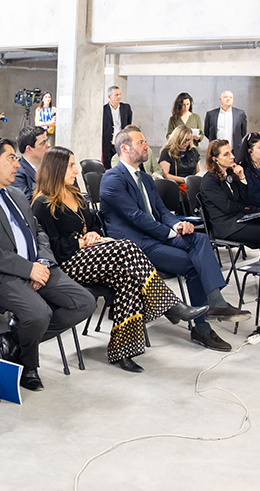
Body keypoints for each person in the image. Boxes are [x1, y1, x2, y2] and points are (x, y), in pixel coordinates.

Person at [31, 147, 209, 373]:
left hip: (93, 257)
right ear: (56, 169)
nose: (76, 171)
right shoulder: (42, 204)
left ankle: (123, 351)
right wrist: (80, 242)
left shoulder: (75, 195)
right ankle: (169, 305)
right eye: (71, 166)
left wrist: (93, 234)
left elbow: (94, 224)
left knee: (128, 280)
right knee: (126, 247)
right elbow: (49, 247)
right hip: (68, 264)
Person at [0, 137, 95, 392]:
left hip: (35, 266)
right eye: (11, 159)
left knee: (84, 302)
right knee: (38, 313)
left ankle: (15, 340)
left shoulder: (16, 194)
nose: (17, 164)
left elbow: (38, 232)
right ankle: (28, 366)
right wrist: (28, 270)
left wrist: (42, 262)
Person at [99, 126, 251, 352]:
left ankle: (216, 303)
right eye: (141, 142)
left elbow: (161, 211)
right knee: (194, 263)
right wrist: (170, 232)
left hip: (157, 236)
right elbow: (136, 217)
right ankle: (202, 327)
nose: (147, 146)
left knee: (200, 240)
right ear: (125, 149)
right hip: (136, 245)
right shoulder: (112, 179)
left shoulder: (145, 179)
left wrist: (177, 225)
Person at [199, 139, 260, 286]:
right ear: (215, 159)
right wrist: (244, 208)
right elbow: (227, 207)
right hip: (226, 226)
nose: (232, 156)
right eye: (226, 154)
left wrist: (242, 178)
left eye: (231, 152)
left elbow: (245, 200)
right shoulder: (209, 180)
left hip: (240, 218)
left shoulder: (231, 174)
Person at [13, 125, 50, 200]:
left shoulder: (50, 167)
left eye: (47, 141)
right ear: (29, 149)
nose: (48, 145)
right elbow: (27, 202)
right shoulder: (17, 173)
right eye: (43, 143)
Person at [101, 85, 133, 167]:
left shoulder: (126, 108)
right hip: (108, 143)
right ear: (109, 96)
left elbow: (128, 125)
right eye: (116, 95)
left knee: (122, 165)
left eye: (120, 94)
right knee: (108, 166)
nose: (119, 97)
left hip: (122, 143)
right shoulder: (103, 109)